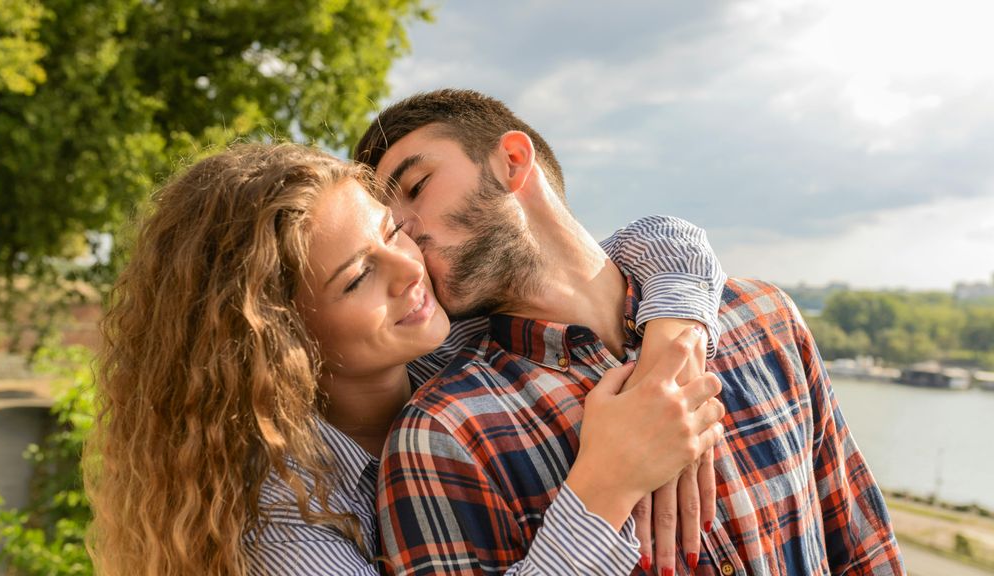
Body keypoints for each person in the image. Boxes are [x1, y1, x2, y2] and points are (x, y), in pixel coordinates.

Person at [85, 142, 729, 575]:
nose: (411, 269)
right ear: (276, 341)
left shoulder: (447, 344)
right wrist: (606, 486)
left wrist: (673, 345)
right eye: (357, 277)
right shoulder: (277, 528)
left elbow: (651, 243)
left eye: (393, 232)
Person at [355, 89, 906, 576]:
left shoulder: (765, 318)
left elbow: (862, 546)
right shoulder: (443, 435)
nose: (401, 230)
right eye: (385, 223)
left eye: (416, 186)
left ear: (513, 161)